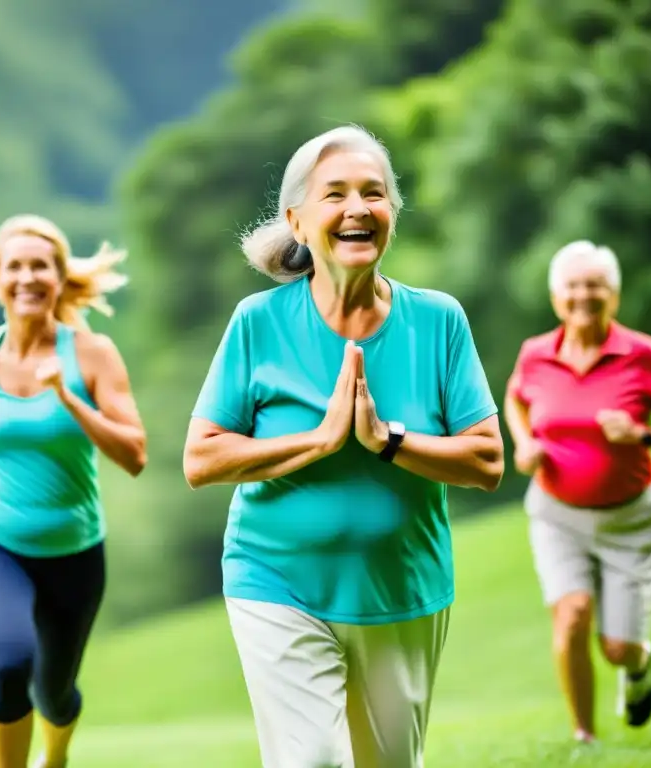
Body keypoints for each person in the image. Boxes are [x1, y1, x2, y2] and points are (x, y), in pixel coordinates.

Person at [183, 125, 504, 768]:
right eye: (336, 195)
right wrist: (320, 441)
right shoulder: (259, 322)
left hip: (400, 588)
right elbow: (202, 459)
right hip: (275, 579)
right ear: (298, 222)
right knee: (314, 761)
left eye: (374, 193)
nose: (358, 208)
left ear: (391, 215)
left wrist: (389, 442)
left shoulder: (438, 320)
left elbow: (487, 461)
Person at [0, 214, 147, 768]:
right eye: (14, 266)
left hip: (74, 550)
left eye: (39, 266)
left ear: (58, 277)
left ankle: (55, 757)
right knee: (9, 660)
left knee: (54, 691)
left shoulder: (93, 354)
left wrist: (70, 399)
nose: (27, 277)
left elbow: (134, 455)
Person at [503, 240, 651, 744]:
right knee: (570, 618)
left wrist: (641, 434)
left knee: (617, 647)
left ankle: (638, 664)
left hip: (629, 520)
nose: (583, 295)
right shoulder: (535, 355)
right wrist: (525, 443)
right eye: (573, 286)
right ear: (556, 297)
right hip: (557, 515)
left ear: (613, 295)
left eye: (595, 285)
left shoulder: (641, 353)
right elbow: (515, 399)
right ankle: (584, 737)